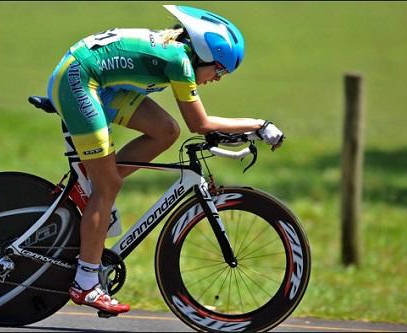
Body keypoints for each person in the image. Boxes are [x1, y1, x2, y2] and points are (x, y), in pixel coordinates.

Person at [47, 4, 284, 315]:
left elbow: (187, 127)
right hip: (78, 81)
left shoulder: (180, 55)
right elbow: (200, 125)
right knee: (108, 188)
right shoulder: (179, 62)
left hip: (99, 81)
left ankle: (90, 186)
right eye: (220, 70)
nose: (218, 79)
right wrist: (258, 125)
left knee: (165, 130)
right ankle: (86, 282)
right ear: (203, 54)